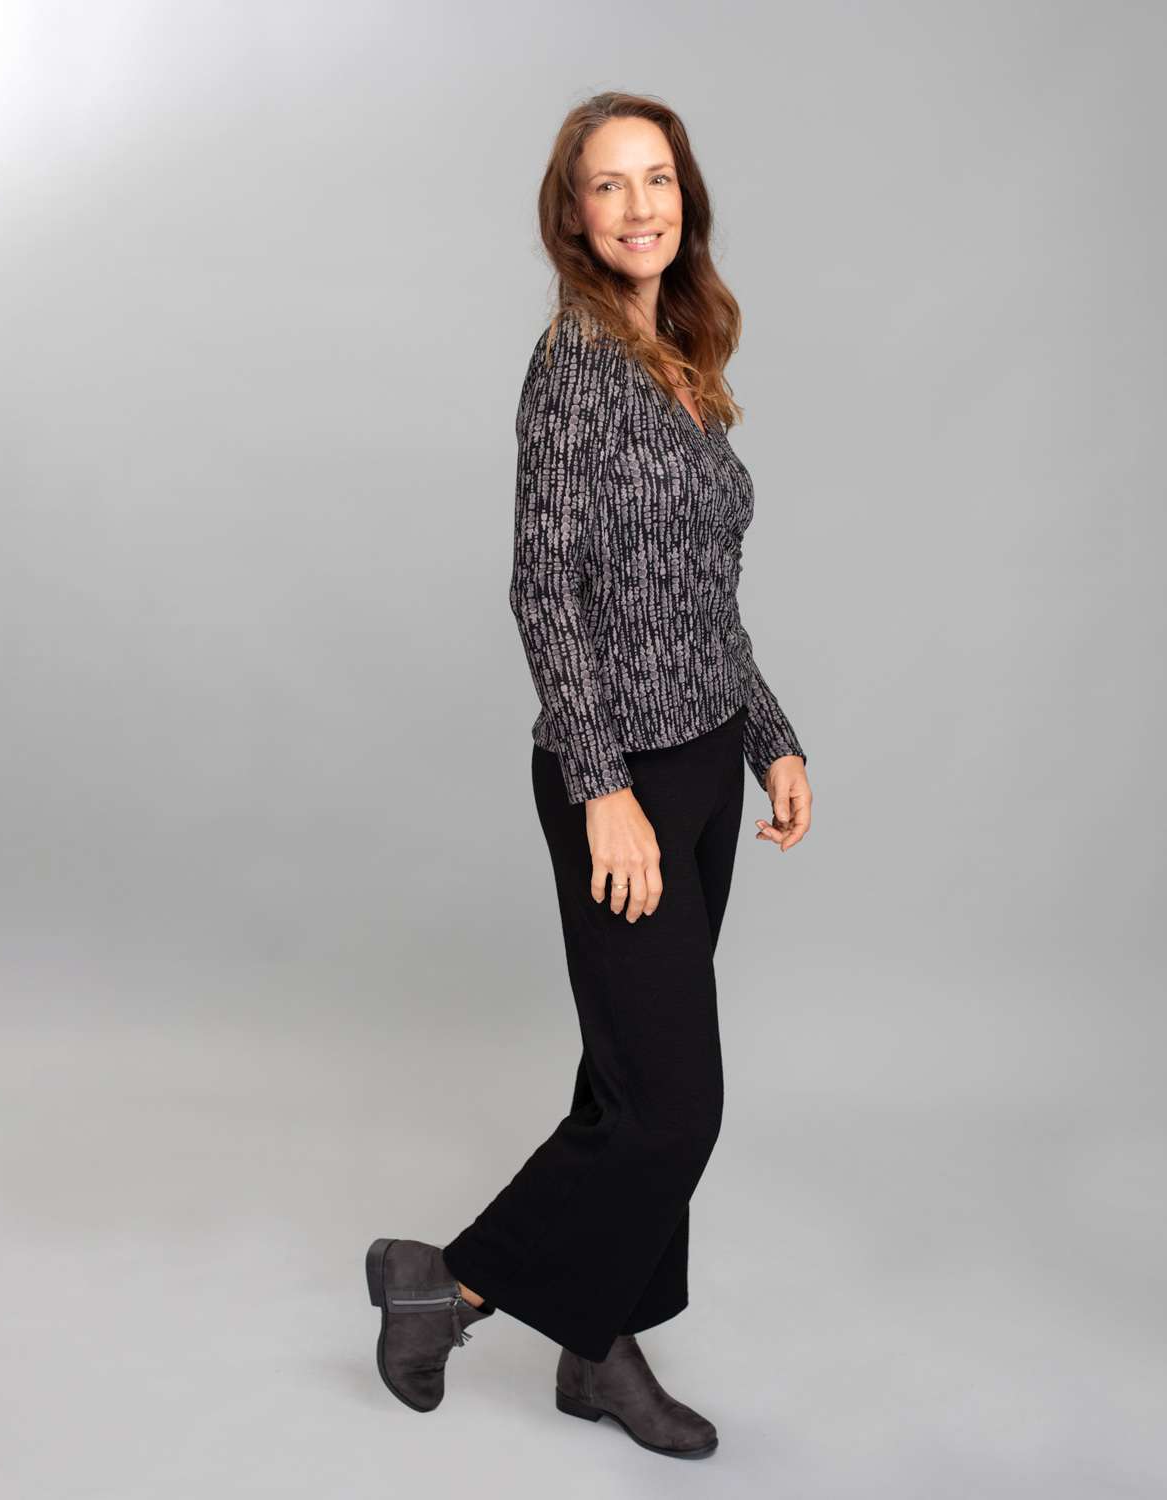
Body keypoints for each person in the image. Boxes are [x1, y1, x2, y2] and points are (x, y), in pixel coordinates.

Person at [364, 91, 813, 1461]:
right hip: (622, 779)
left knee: (624, 1084)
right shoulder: (574, 366)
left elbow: (703, 597)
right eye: (609, 185)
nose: (639, 207)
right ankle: (444, 1283)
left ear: (687, 197)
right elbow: (544, 590)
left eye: (657, 179)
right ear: (574, 214)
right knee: (675, 1110)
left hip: (702, 764)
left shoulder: (679, 353)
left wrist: (771, 735)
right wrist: (602, 785)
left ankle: (596, 1352)